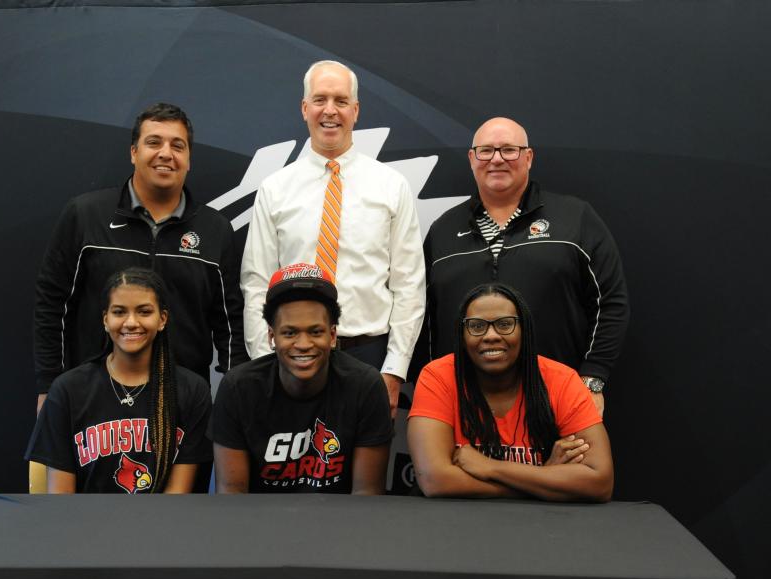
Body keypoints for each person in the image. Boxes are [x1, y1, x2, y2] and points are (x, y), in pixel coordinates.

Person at [241, 60, 425, 417]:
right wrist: (267, 365)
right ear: (304, 108)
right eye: (320, 99)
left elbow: (409, 285)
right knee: (294, 468)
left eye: (341, 101)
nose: (330, 111)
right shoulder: (275, 189)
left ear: (355, 111)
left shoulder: (391, 186)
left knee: (365, 471)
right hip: (294, 354)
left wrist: (394, 368)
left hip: (368, 354)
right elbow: (257, 283)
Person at [33, 102, 246, 410]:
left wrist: (232, 397)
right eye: (153, 142)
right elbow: (52, 305)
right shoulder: (85, 216)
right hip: (93, 400)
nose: (165, 153)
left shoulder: (216, 231)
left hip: (182, 404)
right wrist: (49, 385)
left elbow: (231, 324)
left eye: (178, 145)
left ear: (188, 159)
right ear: (133, 152)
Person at [421, 117, 629, 415]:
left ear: (528, 157)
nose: (496, 159)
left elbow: (611, 303)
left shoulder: (575, 218)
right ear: (471, 159)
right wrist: (428, 388)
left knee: (563, 464)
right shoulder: (442, 230)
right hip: (462, 403)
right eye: (486, 150)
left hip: (555, 399)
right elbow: (424, 317)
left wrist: (593, 379)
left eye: (509, 150)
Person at [408, 283, 613, 501]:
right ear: (462, 335)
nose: (491, 335)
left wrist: (491, 468)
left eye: (505, 324)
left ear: (525, 330)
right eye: (476, 326)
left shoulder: (561, 381)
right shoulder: (438, 377)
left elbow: (599, 482)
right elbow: (435, 480)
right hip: (454, 524)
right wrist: (544, 478)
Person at [213, 263, 393, 494]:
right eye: (290, 333)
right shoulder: (238, 388)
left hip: (341, 525)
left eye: (315, 332)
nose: (303, 344)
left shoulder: (365, 385)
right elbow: (232, 497)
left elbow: (366, 497)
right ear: (272, 336)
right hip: (261, 524)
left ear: (332, 335)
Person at [27, 269, 211, 494]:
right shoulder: (68, 390)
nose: (131, 322)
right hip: (84, 525)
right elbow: (61, 500)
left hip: (161, 524)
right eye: (119, 312)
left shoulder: (191, 391)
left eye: (144, 311)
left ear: (162, 319)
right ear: (106, 319)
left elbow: (177, 497)